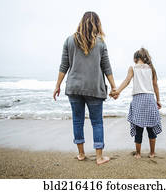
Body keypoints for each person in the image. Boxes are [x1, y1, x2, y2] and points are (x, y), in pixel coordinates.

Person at [53, 11, 116, 165]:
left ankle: (81, 154)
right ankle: (99, 157)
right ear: (97, 24)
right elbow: (106, 67)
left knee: (77, 121)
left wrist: (57, 85)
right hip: (94, 89)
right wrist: (114, 87)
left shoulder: (69, 40)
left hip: (74, 88)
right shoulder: (100, 42)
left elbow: (64, 66)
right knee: (97, 122)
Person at [110, 48, 162, 159]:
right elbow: (155, 85)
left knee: (139, 128)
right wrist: (158, 100)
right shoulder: (151, 68)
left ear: (135, 58)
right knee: (151, 128)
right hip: (149, 99)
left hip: (138, 100)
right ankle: (152, 153)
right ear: (145, 57)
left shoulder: (133, 68)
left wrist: (117, 91)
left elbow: (127, 81)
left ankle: (138, 154)